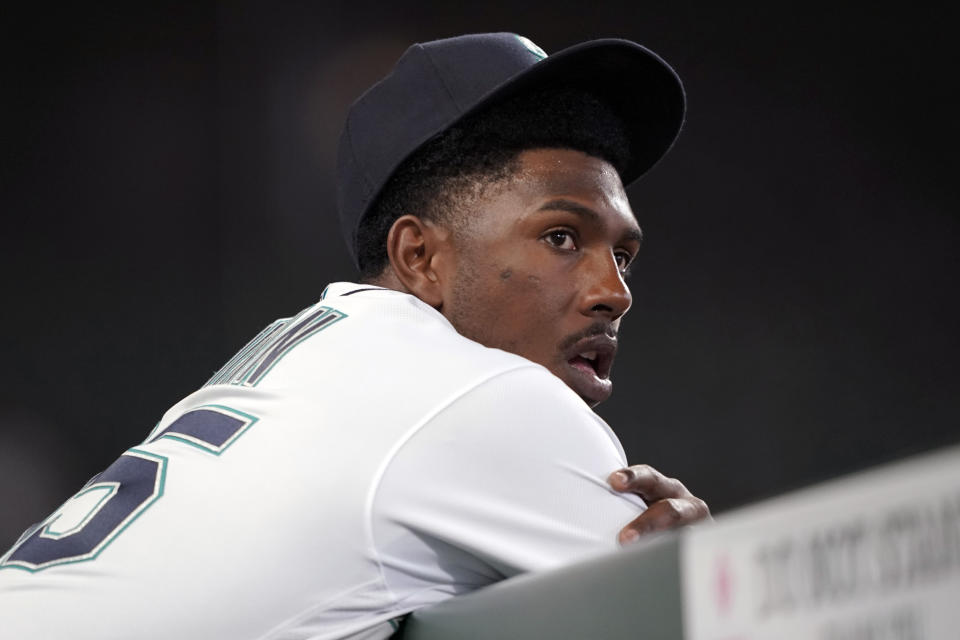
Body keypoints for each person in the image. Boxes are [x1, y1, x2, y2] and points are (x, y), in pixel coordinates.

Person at [0, 32, 709, 639]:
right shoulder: (490, 394)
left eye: (622, 255)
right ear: (419, 258)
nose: (613, 292)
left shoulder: (291, 363)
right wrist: (709, 561)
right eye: (561, 237)